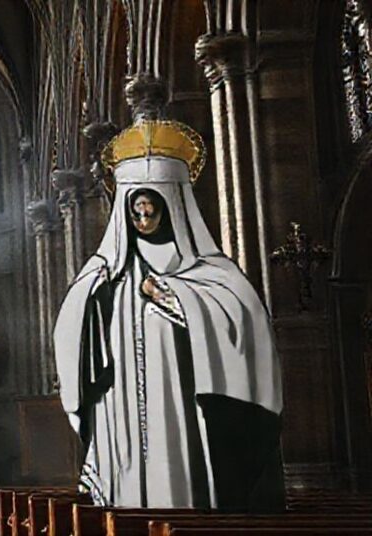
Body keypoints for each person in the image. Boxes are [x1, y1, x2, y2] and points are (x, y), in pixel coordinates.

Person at [54, 119, 284, 510]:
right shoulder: (105, 271)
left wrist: (174, 296)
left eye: (151, 210)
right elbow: (68, 327)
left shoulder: (213, 272)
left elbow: (247, 326)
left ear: (171, 208)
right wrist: (95, 297)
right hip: (120, 404)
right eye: (136, 212)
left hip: (183, 403)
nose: (143, 220)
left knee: (182, 482)